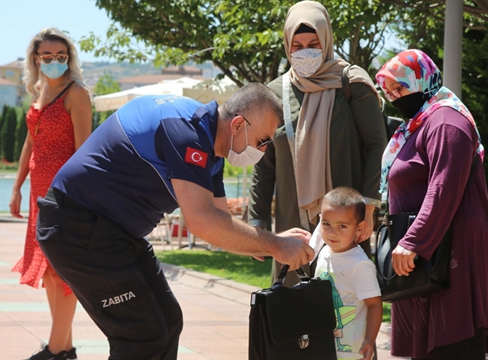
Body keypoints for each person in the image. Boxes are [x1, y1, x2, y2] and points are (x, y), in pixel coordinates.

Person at [35, 83, 314, 360]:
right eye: (263, 141)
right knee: (142, 335)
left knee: (168, 322)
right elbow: (203, 222)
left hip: (110, 231)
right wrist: (277, 244)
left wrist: (277, 244)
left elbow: (221, 230)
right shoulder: (186, 130)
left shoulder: (211, 148)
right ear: (239, 125)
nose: (263, 152)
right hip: (77, 226)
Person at [248, 0, 388, 286]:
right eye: (297, 46)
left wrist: (370, 211)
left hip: (348, 223)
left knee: (347, 306)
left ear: (326, 41)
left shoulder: (352, 84)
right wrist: (257, 222)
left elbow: (377, 146)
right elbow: (264, 163)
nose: (305, 52)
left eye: (313, 43)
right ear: (287, 45)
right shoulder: (274, 93)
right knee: (292, 308)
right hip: (292, 221)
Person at [375, 49, 488, 359]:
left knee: (452, 344)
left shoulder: (447, 121)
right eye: (388, 91)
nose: (394, 97)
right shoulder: (420, 123)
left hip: (452, 249)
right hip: (434, 250)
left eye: (400, 87)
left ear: (422, 78)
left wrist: (415, 241)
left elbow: (444, 187)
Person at [9, 27, 92, 360]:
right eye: (48, 56)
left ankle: (55, 350)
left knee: (63, 271)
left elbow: (85, 150)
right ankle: (66, 348)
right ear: (36, 59)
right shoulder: (39, 90)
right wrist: (17, 186)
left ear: (68, 58)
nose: (56, 61)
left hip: (65, 195)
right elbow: (31, 141)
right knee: (48, 271)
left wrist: (76, 196)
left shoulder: (77, 94)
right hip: (38, 195)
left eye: (61, 56)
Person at [308, 187, 382, 360]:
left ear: (360, 227)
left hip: (350, 352)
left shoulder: (360, 264)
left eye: (342, 226)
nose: (332, 232)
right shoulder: (325, 252)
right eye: (326, 224)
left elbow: (374, 305)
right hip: (322, 346)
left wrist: (370, 339)